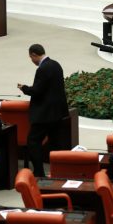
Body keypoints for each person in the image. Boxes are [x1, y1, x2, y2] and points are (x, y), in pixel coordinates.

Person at [18, 44, 69, 177]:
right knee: (55, 143)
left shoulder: (43, 69)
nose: (31, 60)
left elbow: (37, 91)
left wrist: (24, 88)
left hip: (45, 114)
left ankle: (39, 172)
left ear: (34, 54)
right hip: (58, 112)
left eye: (31, 57)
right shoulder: (56, 64)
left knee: (33, 141)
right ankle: (59, 171)